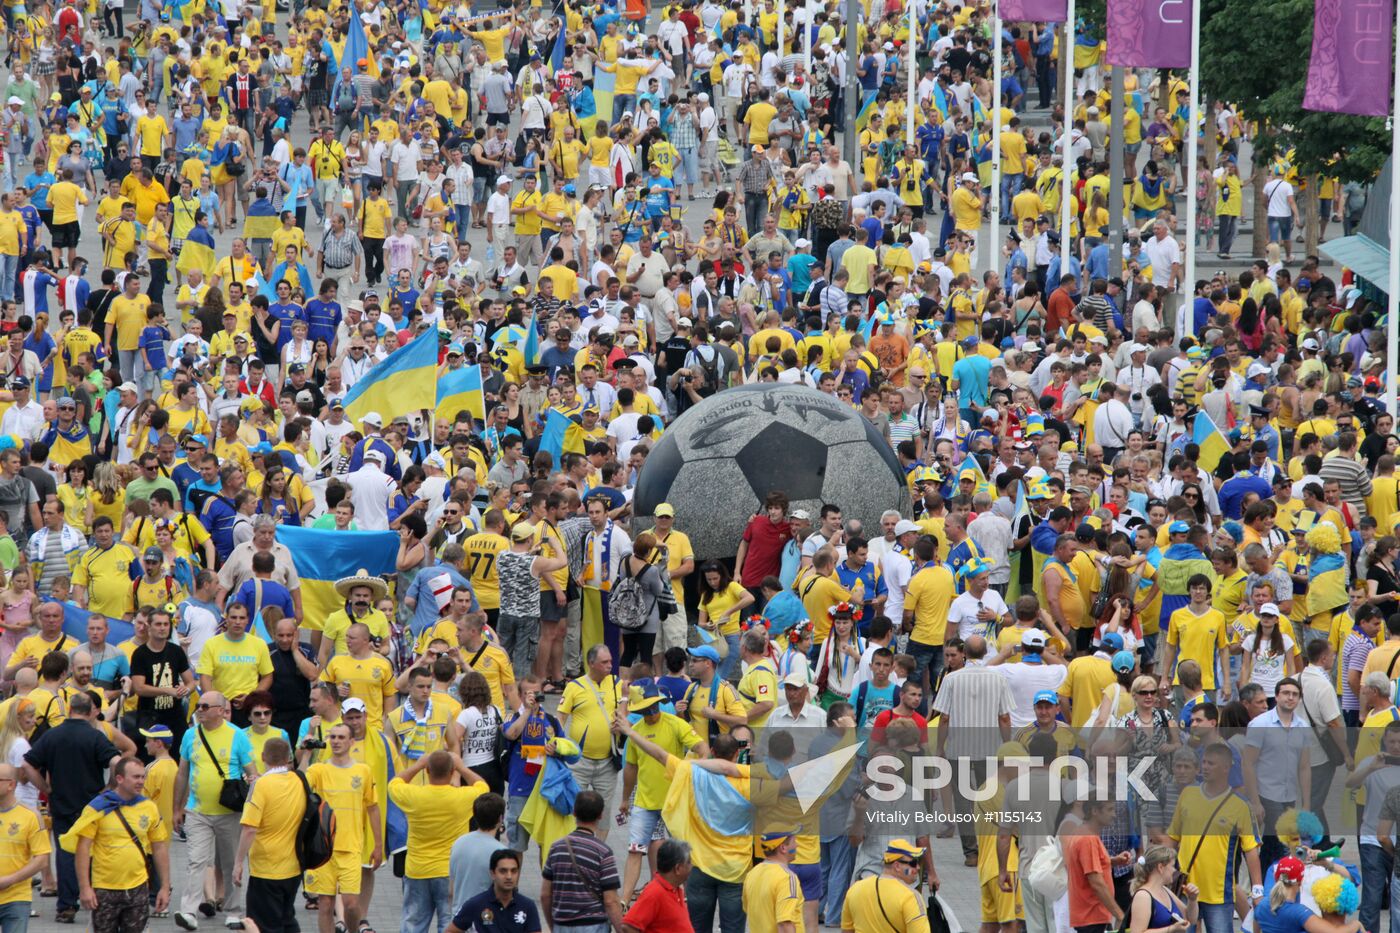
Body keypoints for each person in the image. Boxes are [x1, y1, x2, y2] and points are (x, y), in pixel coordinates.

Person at [21, 692, 122, 924]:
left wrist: (44, 786)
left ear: (69, 709)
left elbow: (27, 763)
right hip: (92, 805)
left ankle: (67, 905)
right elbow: (116, 761)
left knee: (65, 854)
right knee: (96, 851)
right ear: (90, 711)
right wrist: (109, 788)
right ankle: (97, 897)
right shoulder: (95, 737)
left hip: (61, 803)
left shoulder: (52, 736)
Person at [172, 691, 257, 931]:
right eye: (198, 705)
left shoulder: (237, 736)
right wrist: (176, 808)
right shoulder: (190, 735)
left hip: (229, 812)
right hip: (197, 811)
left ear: (221, 710)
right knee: (196, 860)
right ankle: (189, 911)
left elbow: (253, 772)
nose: (199, 709)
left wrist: (252, 806)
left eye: (205, 706)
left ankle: (233, 910)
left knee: (230, 862)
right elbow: (182, 773)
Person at [63, 757, 171, 933]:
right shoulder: (98, 807)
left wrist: (165, 887)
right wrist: (84, 888)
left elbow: (159, 847)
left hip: (138, 888)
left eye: (142, 777)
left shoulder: (148, 807)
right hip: (104, 889)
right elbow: (83, 848)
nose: (141, 782)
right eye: (135, 777)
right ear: (119, 778)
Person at [388, 750, 491, 933]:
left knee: (413, 924)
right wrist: (461, 766)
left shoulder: (414, 796)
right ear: (452, 772)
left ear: (427, 771)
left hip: (417, 870)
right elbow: (482, 786)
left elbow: (394, 783)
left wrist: (418, 764)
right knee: (449, 923)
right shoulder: (462, 797)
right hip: (450, 872)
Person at [305, 723, 382, 933]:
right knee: (325, 904)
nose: (336, 741)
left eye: (341, 737)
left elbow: (373, 808)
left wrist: (378, 845)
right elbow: (299, 784)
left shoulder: (363, 771)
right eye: (333, 737)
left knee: (351, 904)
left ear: (351, 742)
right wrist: (305, 754)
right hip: (322, 849)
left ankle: (353, 930)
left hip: (351, 847)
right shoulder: (319, 769)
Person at [233, 738, 306, 933]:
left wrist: (238, 862)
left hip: (266, 868)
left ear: (263, 757)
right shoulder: (298, 780)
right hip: (293, 866)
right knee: (287, 919)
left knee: (264, 926)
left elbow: (249, 828)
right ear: (288, 758)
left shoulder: (261, 785)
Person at [540, 790, 625, 932]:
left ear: (574, 812)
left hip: (562, 924)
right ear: (600, 815)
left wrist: (553, 926)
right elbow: (610, 901)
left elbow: (545, 895)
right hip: (594, 926)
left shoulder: (556, 848)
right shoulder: (603, 852)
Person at [840, 839, 931, 932]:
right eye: (913, 863)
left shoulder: (855, 889)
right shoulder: (911, 897)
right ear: (897, 866)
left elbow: (847, 930)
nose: (918, 867)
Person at [446, 849, 541, 933]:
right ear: (492, 874)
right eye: (503, 871)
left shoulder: (528, 906)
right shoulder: (475, 904)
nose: (509, 876)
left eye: (514, 871)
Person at [621, 839, 693, 932]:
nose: (692, 866)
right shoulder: (655, 893)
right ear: (678, 868)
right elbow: (628, 926)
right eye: (689, 862)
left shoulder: (676, 888)